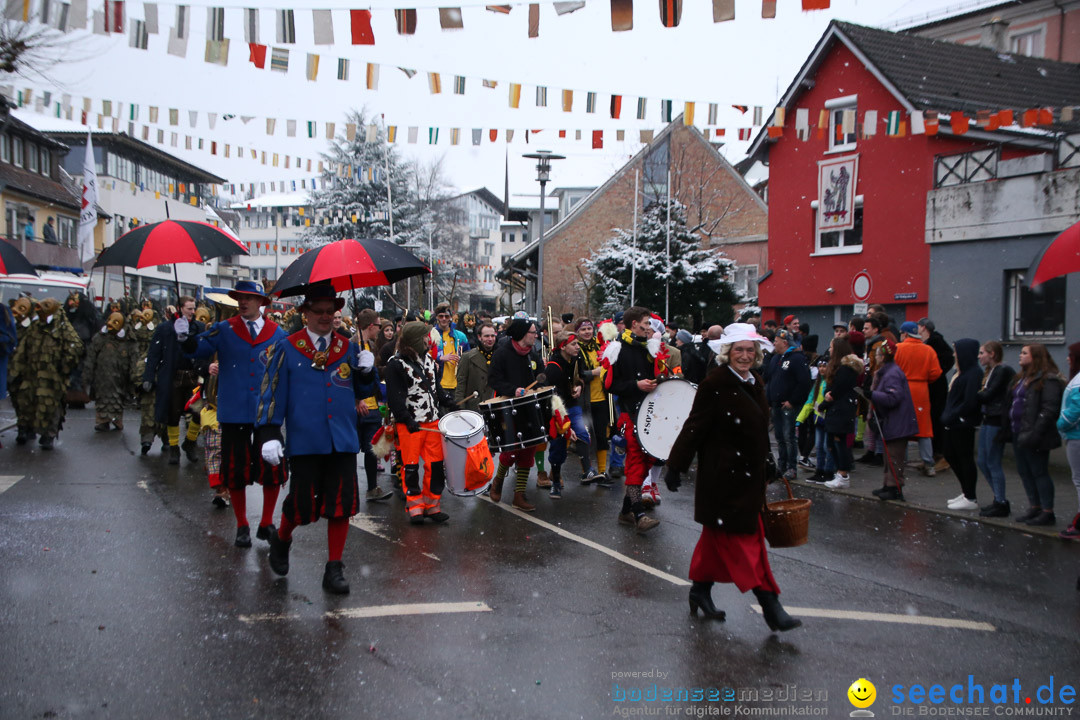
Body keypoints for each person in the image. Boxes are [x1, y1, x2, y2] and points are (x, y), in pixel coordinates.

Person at [664, 323, 801, 632]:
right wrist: (676, 465)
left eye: (749, 350)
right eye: (738, 349)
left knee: (716, 542)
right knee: (746, 546)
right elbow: (695, 426)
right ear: (727, 353)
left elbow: (759, 433)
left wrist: (769, 462)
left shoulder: (757, 382)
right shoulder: (715, 383)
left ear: (756, 354)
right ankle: (770, 606)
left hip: (749, 479)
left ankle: (700, 591)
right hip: (723, 480)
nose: (744, 355)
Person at [256, 286, 363, 594]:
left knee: (341, 504)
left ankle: (334, 568)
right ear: (305, 313)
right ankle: (283, 538)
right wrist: (269, 433)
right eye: (319, 311)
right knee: (301, 506)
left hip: (341, 438)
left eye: (331, 311)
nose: (326, 317)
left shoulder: (349, 347)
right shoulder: (287, 347)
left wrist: (368, 373)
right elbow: (270, 394)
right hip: (305, 439)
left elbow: (362, 392)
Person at [185, 281, 289, 547]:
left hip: (266, 413)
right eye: (240, 298)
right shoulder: (224, 329)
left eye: (249, 298)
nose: (243, 302)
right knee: (235, 470)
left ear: (261, 302)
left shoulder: (278, 334)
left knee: (272, 468)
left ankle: (266, 523)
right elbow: (197, 351)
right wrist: (187, 334)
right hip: (233, 412)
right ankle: (242, 524)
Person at [384, 321, 455, 523]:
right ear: (416, 339)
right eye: (425, 336)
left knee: (435, 466)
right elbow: (395, 399)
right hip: (410, 425)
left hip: (432, 422)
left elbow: (435, 388)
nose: (429, 339)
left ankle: (432, 505)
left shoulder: (430, 359)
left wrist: (449, 402)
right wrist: (406, 419)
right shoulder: (395, 365)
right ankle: (415, 506)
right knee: (411, 466)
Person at [603, 306, 662, 534]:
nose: (649, 327)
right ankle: (639, 514)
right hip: (629, 412)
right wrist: (636, 385)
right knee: (636, 461)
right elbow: (609, 385)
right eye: (646, 323)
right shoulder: (617, 348)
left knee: (648, 461)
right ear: (634, 323)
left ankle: (625, 511)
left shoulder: (650, 348)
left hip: (650, 412)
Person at [9, 298, 83, 448]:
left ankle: (48, 436)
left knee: (50, 406)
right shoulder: (35, 326)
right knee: (26, 402)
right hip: (31, 373)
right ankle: (24, 430)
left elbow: (76, 347)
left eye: (45, 306)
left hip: (52, 376)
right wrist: (16, 370)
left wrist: (64, 367)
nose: (40, 308)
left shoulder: (62, 328)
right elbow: (23, 349)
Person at [487, 318, 544, 510]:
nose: (535, 336)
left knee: (529, 450)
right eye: (532, 332)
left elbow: (541, 378)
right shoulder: (502, 354)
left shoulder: (533, 354)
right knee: (511, 451)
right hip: (508, 409)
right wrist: (513, 390)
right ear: (521, 334)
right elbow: (494, 380)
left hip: (530, 408)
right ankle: (498, 481)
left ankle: (519, 495)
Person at [1005, 344, 1063, 527]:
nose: (1020, 356)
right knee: (1024, 471)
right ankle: (1034, 506)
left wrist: (1036, 432)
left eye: (1024, 353)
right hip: (1018, 431)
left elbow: (1049, 408)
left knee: (1039, 472)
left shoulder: (1048, 380)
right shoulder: (1022, 377)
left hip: (1035, 434)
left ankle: (1047, 511)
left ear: (1036, 356)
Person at [144, 297, 205, 465]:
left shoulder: (198, 327)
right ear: (179, 308)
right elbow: (154, 354)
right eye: (189, 309)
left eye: (194, 308)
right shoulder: (165, 328)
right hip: (173, 376)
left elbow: (204, 351)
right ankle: (173, 448)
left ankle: (190, 443)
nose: (193, 312)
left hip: (193, 377)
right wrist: (148, 377)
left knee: (198, 412)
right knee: (173, 413)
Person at [869, 338, 919, 501]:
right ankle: (888, 485)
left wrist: (873, 395)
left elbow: (893, 398)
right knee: (889, 455)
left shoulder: (892, 373)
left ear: (883, 356)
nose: (875, 357)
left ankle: (895, 488)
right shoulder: (888, 371)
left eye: (877, 354)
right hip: (893, 421)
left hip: (897, 422)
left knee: (894, 456)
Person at [543, 330, 591, 499]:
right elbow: (553, 398)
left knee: (582, 432)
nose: (578, 347)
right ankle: (555, 482)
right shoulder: (553, 367)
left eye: (577, 343)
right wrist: (565, 426)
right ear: (563, 346)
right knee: (558, 447)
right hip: (557, 410)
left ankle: (588, 471)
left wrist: (580, 386)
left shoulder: (577, 359)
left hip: (572, 405)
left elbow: (581, 377)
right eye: (574, 344)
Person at [352, 308, 393, 503]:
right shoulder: (351, 345)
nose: (380, 328)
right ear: (370, 326)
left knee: (372, 448)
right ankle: (349, 490)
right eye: (378, 325)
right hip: (356, 408)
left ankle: (372, 487)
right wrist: (356, 400)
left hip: (373, 406)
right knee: (350, 450)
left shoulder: (371, 346)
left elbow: (375, 373)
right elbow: (346, 378)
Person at [894, 321, 942, 476]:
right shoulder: (928, 350)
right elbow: (936, 372)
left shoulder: (898, 348)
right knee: (924, 429)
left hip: (902, 389)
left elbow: (890, 369)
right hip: (921, 391)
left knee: (902, 427)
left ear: (905, 334)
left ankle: (901, 461)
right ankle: (929, 464)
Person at [940, 339, 983, 511]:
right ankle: (966, 492)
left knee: (964, 458)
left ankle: (970, 496)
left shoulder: (973, 374)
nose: (954, 354)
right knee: (951, 455)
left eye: (956, 351)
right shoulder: (962, 373)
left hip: (962, 424)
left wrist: (954, 416)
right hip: (953, 422)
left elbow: (969, 401)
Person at [975, 341, 1016, 518]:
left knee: (992, 461)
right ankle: (998, 498)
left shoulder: (1002, 370)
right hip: (988, 418)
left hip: (996, 420)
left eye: (982, 352)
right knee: (983, 461)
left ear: (992, 354)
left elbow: (989, 394)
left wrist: (973, 396)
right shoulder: (992, 372)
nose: (979, 356)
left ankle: (1000, 501)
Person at [764, 328, 811, 481]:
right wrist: (769, 400)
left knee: (789, 437)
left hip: (788, 405)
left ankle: (792, 467)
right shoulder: (775, 358)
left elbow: (804, 382)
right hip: (776, 404)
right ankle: (782, 465)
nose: (773, 343)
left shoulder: (797, 359)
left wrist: (793, 401)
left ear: (784, 342)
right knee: (779, 437)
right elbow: (769, 379)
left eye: (776, 341)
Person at [819, 338, 862, 488]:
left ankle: (843, 474)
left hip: (841, 411)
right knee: (831, 443)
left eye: (831, 347)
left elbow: (836, 391)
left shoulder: (845, 369)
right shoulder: (838, 368)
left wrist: (826, 400)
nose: (829, 350)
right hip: (835, 410)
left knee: (839, 443)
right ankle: (840, 473)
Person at [84, 312, 137, 431]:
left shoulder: (128, 340)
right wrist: (88, 373)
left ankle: (116, 419)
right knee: (102, 398)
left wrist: (133, 375)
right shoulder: (100, 338)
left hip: (120, 376)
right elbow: (91, 356)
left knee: (118, 397)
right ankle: (103, 421)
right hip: (101, 375)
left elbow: (134, 357)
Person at [574, 318, 610, 485]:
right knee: (585, 437)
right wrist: (594, 372)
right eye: (583, 330)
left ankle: (602, 471)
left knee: (602, 436)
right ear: (578, 332)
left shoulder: (600, 346)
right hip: (584, 400)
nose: (587, 332)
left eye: (589, 328)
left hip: (601, 397)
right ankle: (586, 470)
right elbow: (577, 374)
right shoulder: (575, 348)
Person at [919, 318, 955, 472]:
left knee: (935, 419)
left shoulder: (935, 341)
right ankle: (933, 455)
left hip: (936, 387)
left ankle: (940, 455)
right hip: (932, 386)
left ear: (924, 328)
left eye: (919, 327)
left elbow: (949, 358)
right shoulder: (930, 342)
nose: (918, 330)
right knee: (931, 419)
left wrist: (938, 372)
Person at [1056, 342, 1080, 539]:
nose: (1067, 359)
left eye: (1070, 355)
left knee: (1079, 480)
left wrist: (1061, 424)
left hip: (1076, 436)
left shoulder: (1079, 381)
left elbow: (1075, 410)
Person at [130, 308, 161, 454]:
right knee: (148, 416)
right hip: (150, 391)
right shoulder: (148, 353)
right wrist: (140, 383)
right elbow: (140, 366)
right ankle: (146, 441)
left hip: (164, 389)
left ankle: (167, 441)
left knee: (166, 417)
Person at [454, 320, 497, 412]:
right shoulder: (468, 357)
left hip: (493, 407)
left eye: (493, 336)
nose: (490, 339)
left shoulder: (499, 356)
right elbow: (460, 386)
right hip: (473, 409)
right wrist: (460, 409)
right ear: (479, 337)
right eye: (486, 336)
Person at [433, 303, 469, 394]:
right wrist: (440, 358)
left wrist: (462, 360)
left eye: (446, 316)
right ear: (437, 317)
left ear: (450, 318)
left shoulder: (461, 336)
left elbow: (469, 357)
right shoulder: (431, 335)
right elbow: (424, 357)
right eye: (441, 316)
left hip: (458, 385)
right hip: (439, 384)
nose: (444, 319)